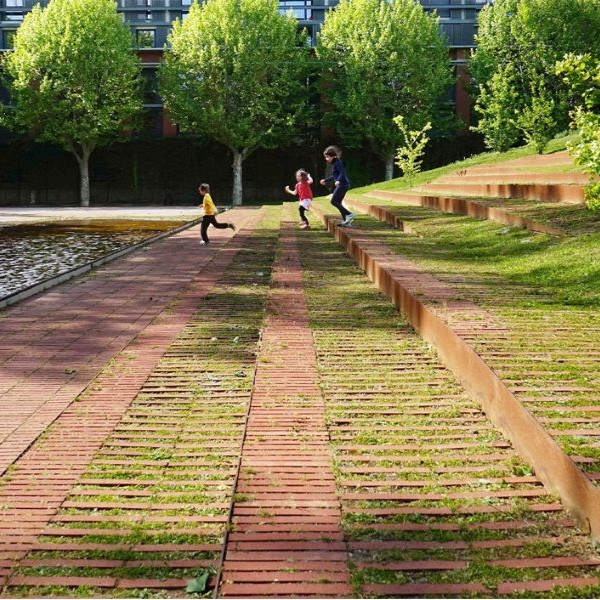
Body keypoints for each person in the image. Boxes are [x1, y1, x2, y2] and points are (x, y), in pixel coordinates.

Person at [319, 145, 355, 226]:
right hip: (343, 184)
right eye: (325, 157)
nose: (326, 159)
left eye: (327, 157)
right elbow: (335, 175)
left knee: (334, 201)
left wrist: (338, 180)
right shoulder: (335, 163)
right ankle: (347, 221)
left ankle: (349, 214)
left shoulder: (338, 162)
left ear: (333, 156)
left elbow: (342, 173)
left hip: (343, 185)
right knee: (338, 202)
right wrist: (325, 180)